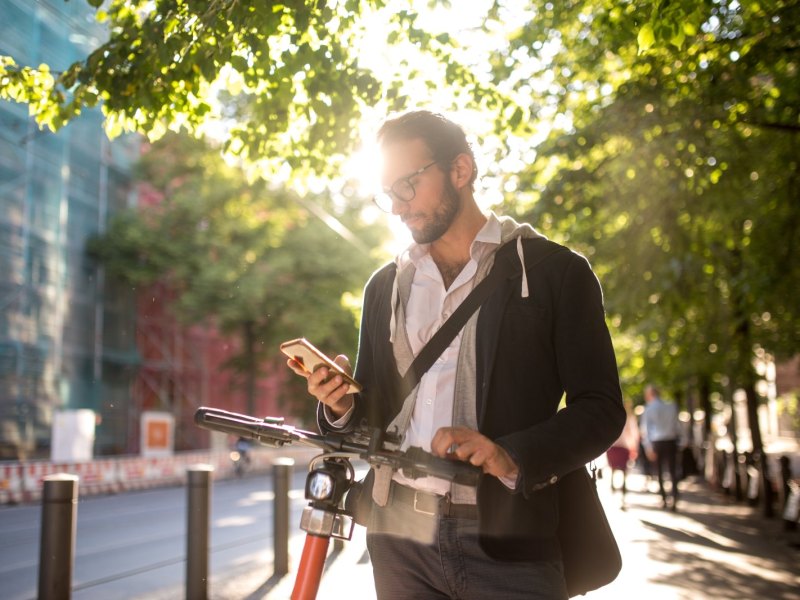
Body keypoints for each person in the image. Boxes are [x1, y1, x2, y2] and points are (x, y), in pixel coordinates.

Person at [288, 110, 625, 599]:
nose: (398, 207)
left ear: (460, 171)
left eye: (408, 185)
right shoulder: (384, 286)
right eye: (387, 194)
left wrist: (509, 454)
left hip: (509, 543)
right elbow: (372, 416)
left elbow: (601, 409)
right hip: (397, 538)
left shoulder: (555, 273)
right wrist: (339, 404)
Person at [640, 384, 680, 511]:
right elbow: (677, 425)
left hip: (657, 442)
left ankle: (663, 498)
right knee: (672, 471)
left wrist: (648, 447)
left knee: (660, 472)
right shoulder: (671, 406)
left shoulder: (649, 409)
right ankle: (674, 497)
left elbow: (645, 430)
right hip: (670, 441)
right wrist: (683, 440)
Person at [605, 400, 639, 509]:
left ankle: (613, 487)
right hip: (624, 447)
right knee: (624, 472)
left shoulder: (612, 415)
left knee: (613, 469)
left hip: (613, 446)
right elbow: (634, 434)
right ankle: (622, 497)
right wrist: (634, 448)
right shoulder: (629, 417)